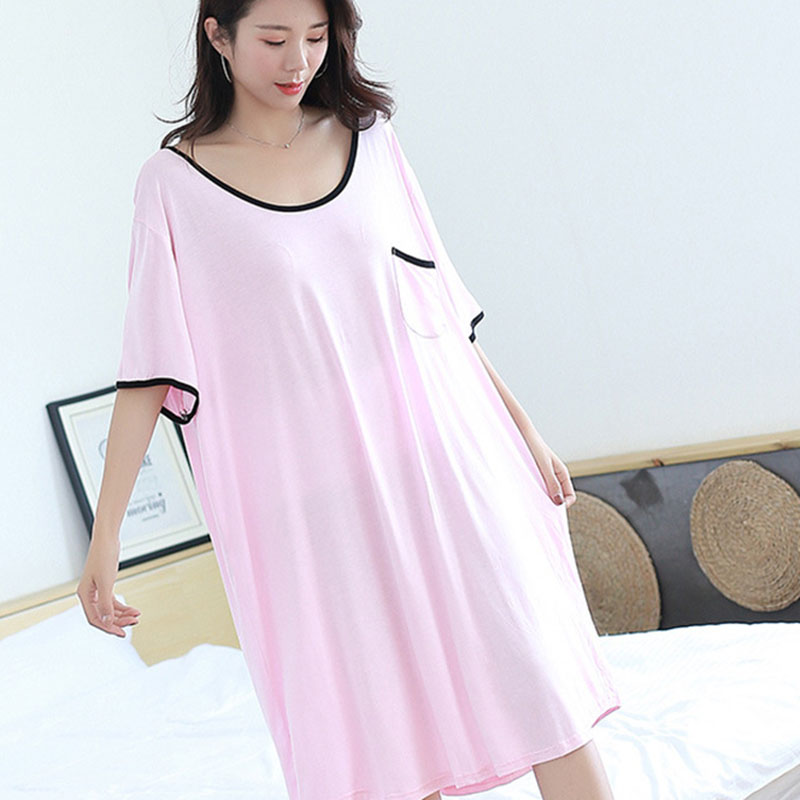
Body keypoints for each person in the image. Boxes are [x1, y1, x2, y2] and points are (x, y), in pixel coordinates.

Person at [77, 1, 621, 799]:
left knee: (540, 684)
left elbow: (439, 311)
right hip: (314, 508)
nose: (298, 60)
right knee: (386, 736)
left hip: (441, 460)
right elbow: (148, 373)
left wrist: (524, 428)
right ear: (217, 34)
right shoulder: (173, 186)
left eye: (316, 37)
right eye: (273, 39)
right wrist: (106, 538)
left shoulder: (371, 141)